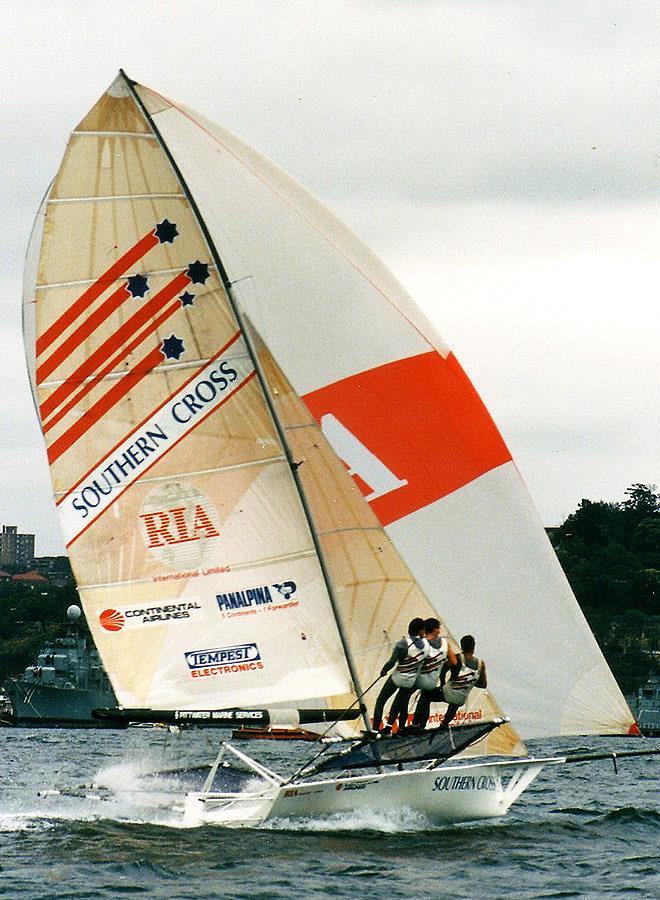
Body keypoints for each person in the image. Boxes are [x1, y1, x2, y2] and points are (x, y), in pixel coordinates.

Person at [412, 633, 486, 731]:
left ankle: (418, 725)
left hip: (448, 692)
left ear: (462, 646)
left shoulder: (457, 658)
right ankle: (444, 724)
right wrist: (469, 681)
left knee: (426, 694)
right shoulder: (481, 665)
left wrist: (442, 683)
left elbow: (443, 670)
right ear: (473, 647)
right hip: (460, 698)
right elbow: (483, 684)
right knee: (455, 701)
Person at [372, 617, 428, 733]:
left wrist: (384, 670)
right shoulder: (427, 647)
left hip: (397, 678)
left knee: (381, 700)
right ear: (421, 631)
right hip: (410, 681)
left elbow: (392, 662)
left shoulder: (403, 644)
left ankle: (375, 730)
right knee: (401, 704)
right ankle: (391, 727)